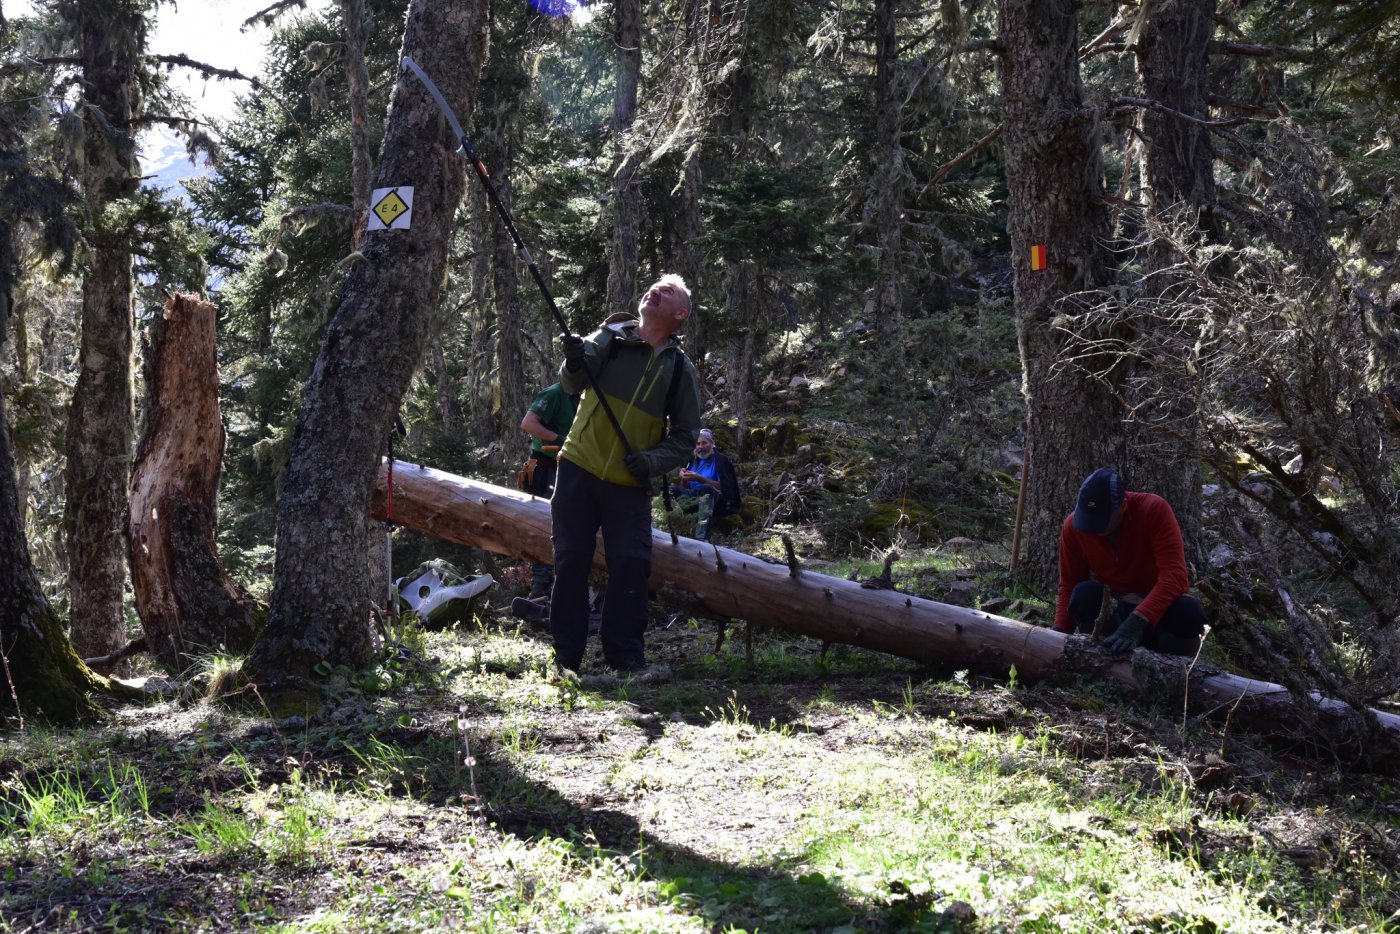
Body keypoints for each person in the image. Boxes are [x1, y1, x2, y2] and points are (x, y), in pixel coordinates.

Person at [549, 274, 702, 673]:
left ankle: (627, 662)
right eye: (654, 287)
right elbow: (573, 382)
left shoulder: (680, 370)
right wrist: (572, 358)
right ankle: (566, 660)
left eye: (667, 292)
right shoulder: (610, 339)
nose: (655, 290)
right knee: (571, 561)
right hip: (578, 466)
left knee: (631, 566)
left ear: (680, 313)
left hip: (630, 483)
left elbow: (685, 437)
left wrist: (651, 461)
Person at [1054, 467, 1207, 656]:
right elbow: (1069, 584)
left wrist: (1138, 621)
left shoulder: (1153, 509)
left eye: (1101, 522)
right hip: (1114, 613)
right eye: (1088, 521)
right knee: (1084, 595)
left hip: (1158, 615)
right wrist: (1058, 636)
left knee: (1189, 612)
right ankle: (1107, 659)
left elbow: (1174, 576)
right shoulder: (1073, 527)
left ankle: (1173, 669)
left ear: (1123, 506)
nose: (1093, 529)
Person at [518, 382, 579, 600]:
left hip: (566, 468)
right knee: (543, 524)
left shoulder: (581, 396)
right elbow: (528, 423)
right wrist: (558, 439)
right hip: (544, 469)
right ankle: (541, 586)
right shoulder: (555, 393)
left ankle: (560, 586)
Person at [671, 428, 740, 541]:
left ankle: (701, 538)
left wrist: (699, 478)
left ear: (712, 444)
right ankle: (670, 531)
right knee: (672, 491)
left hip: (716, 501)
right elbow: (685, 489)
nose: (700, 447)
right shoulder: (692, 461)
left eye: (704, 443)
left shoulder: (721, 461)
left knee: (705, 489)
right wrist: (684, 479)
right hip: (693, 499)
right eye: (698, 444)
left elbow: (724, 487)